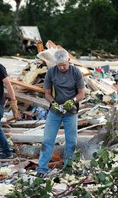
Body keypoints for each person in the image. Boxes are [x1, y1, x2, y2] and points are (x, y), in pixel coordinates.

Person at [36, 49, 85, 177]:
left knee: (71, 141)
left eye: (64, 64)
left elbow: (81, 93)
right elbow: (46, 93)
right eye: (59, 65)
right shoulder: (51, 72)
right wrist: (53, 103)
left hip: (71, 111)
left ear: (68, 60)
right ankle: (42, 168)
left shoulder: (76, 72)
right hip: (55, 111)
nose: (62, 67)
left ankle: (68, 167)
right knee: (48, 139)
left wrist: (73, 101)